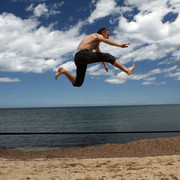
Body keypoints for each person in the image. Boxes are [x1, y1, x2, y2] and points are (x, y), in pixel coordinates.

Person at [55, 27, 135, 87]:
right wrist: (119, 45)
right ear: (103, 32)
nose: (108, 37)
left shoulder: (96, 43)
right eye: (107, 35)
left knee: (78, 83)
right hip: (82, 54)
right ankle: (127, 70)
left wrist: (104, 65)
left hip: (79, 59)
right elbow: (106, 41)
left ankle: (63, 71)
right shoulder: (96, 35)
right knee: (107, 56)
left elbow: (98, 53)